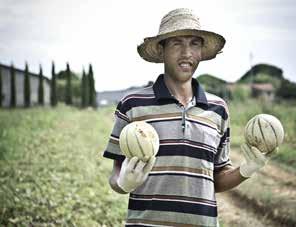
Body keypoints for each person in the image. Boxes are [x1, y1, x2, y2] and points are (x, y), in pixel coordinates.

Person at [103, 8, 275, 227]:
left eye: (194, 43)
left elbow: (216, 178)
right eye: (177, 43)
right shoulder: (133, 104)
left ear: (202, 51)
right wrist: (124, 183)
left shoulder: (218, 109)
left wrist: (246, 170)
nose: (187, 53)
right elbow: (116, 175)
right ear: (162, 49)